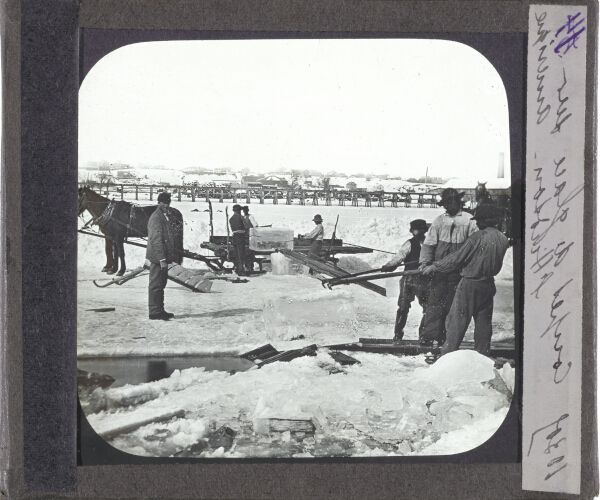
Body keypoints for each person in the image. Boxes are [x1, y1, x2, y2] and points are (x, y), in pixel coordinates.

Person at [422, 204, 510, 356]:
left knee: (457, 321)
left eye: (479, 220)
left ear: (487, 220)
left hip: (470, 284)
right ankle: (483, 356)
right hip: (488, 285)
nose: (477, 223)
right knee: (484, 324)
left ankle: (447, 356)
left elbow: (456, 258)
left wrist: (435, 266)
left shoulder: (478, 237)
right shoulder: (503, 238)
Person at [418, 188, 478, 346]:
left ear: (459, 201)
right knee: (434, 304)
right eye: (445, 203)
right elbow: (429, 245)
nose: (448, 205)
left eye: (451, 201)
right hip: (438, 271)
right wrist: (424, 263)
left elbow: (473, 248)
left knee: (453, 306)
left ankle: (447, 340)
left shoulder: (469, 220)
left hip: (458, 272)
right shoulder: (439, 221)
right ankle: (429, 337)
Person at [381, 219, 430, 341]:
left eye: (418, 230)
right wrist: (389, 266)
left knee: (428, 308)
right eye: (415, 230)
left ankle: (423, 335)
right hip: (408, 280)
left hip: (425, 281)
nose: (416, 232)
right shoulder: (409, 244)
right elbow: (399, 257)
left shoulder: (430, 244)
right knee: (403, 307)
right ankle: (398, 335)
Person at [146, 192, 176, 320]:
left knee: (161, 284)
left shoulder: (163, 216)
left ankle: (160, 309)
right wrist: (162, 259)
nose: (167, 205)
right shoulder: (156, 217)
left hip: (162, 258)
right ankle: (154, 311)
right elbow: (156, 240)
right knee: (155, 284)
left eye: (168, 203)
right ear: (159, 203)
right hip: (158, 258)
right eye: (164, 203)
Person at [229, 204, 247, 276]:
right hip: (241, 236)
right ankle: (241, 270)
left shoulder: (231, 219)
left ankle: (238, 269)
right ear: (239, 210)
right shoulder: (241, 217)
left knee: (237, 253)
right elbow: (246, 226)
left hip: (234, 237)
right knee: (241, 253)